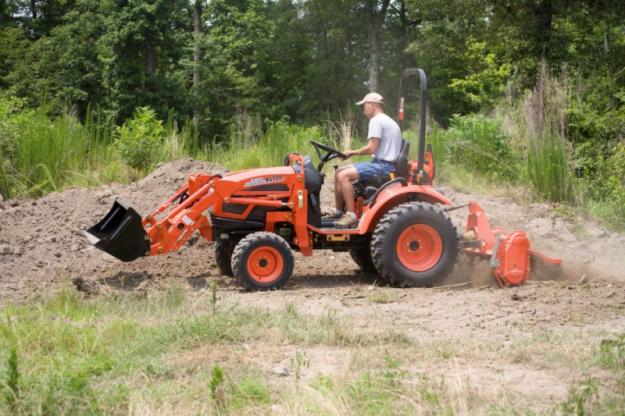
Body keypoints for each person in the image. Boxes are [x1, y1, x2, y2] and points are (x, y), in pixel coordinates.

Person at [329, 92, 403, 228]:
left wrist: (351, 152)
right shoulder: (388, 121)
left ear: (372, 105)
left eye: (364, 106)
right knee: (338, 171)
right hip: (382, 164)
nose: (364, 111)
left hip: (383, 166)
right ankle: (338, 211)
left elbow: (371, 148)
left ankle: (351, 215)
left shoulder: (376, 120)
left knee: (344, 176)